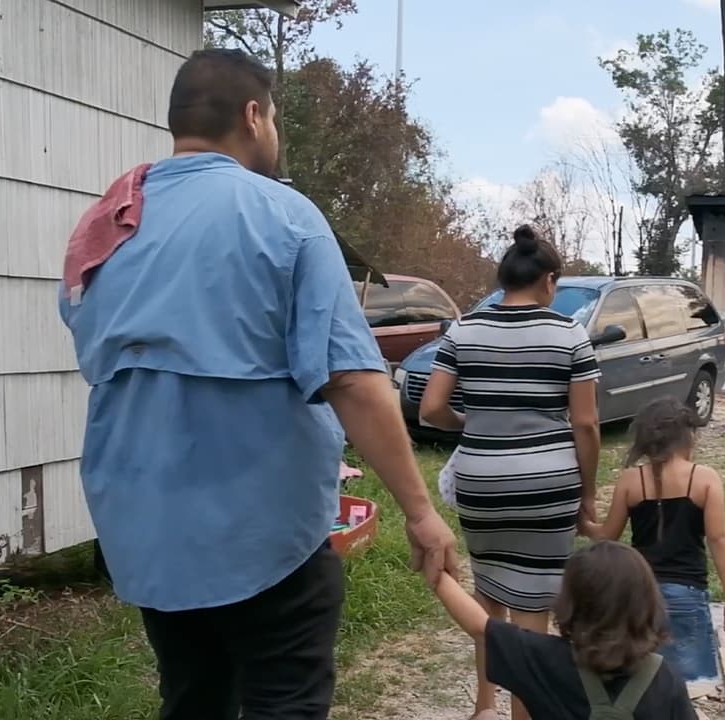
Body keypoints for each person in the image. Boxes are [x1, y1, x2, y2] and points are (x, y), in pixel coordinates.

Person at [58, 48, 457, 720]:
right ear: (253, 115)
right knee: (284, 699)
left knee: (193, 698)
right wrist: (421, 511)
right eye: (274, 118)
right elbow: (355, 381)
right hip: (264, 536)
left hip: (145, 533)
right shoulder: (283, 215)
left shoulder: (106, 225)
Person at [419, 225, 601, 720]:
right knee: (533, 609)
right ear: (550, 281)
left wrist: (470, 425)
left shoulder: (464, 330)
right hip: (549, 484)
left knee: (489, 594)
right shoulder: (570, 335)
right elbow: (584, 424)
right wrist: (587, 496)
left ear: (503, 280)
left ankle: (483, 709)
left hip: (481, 480)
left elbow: (431, 408)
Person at [581, 397, 725, 697]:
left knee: (639, 681)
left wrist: (584, 524)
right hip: (688, 593)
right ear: (688, 435)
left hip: (639, 593)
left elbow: (606, 538)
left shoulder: (631, 481)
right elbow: (719, 540)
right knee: (687, 685)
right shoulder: (704, 479)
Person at [433, 541, 698, 719]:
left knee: (487, 717)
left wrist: (435, 570)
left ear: (569, 602)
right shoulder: (665, 679)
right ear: (648, 604)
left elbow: (479, 626)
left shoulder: (543, 658)